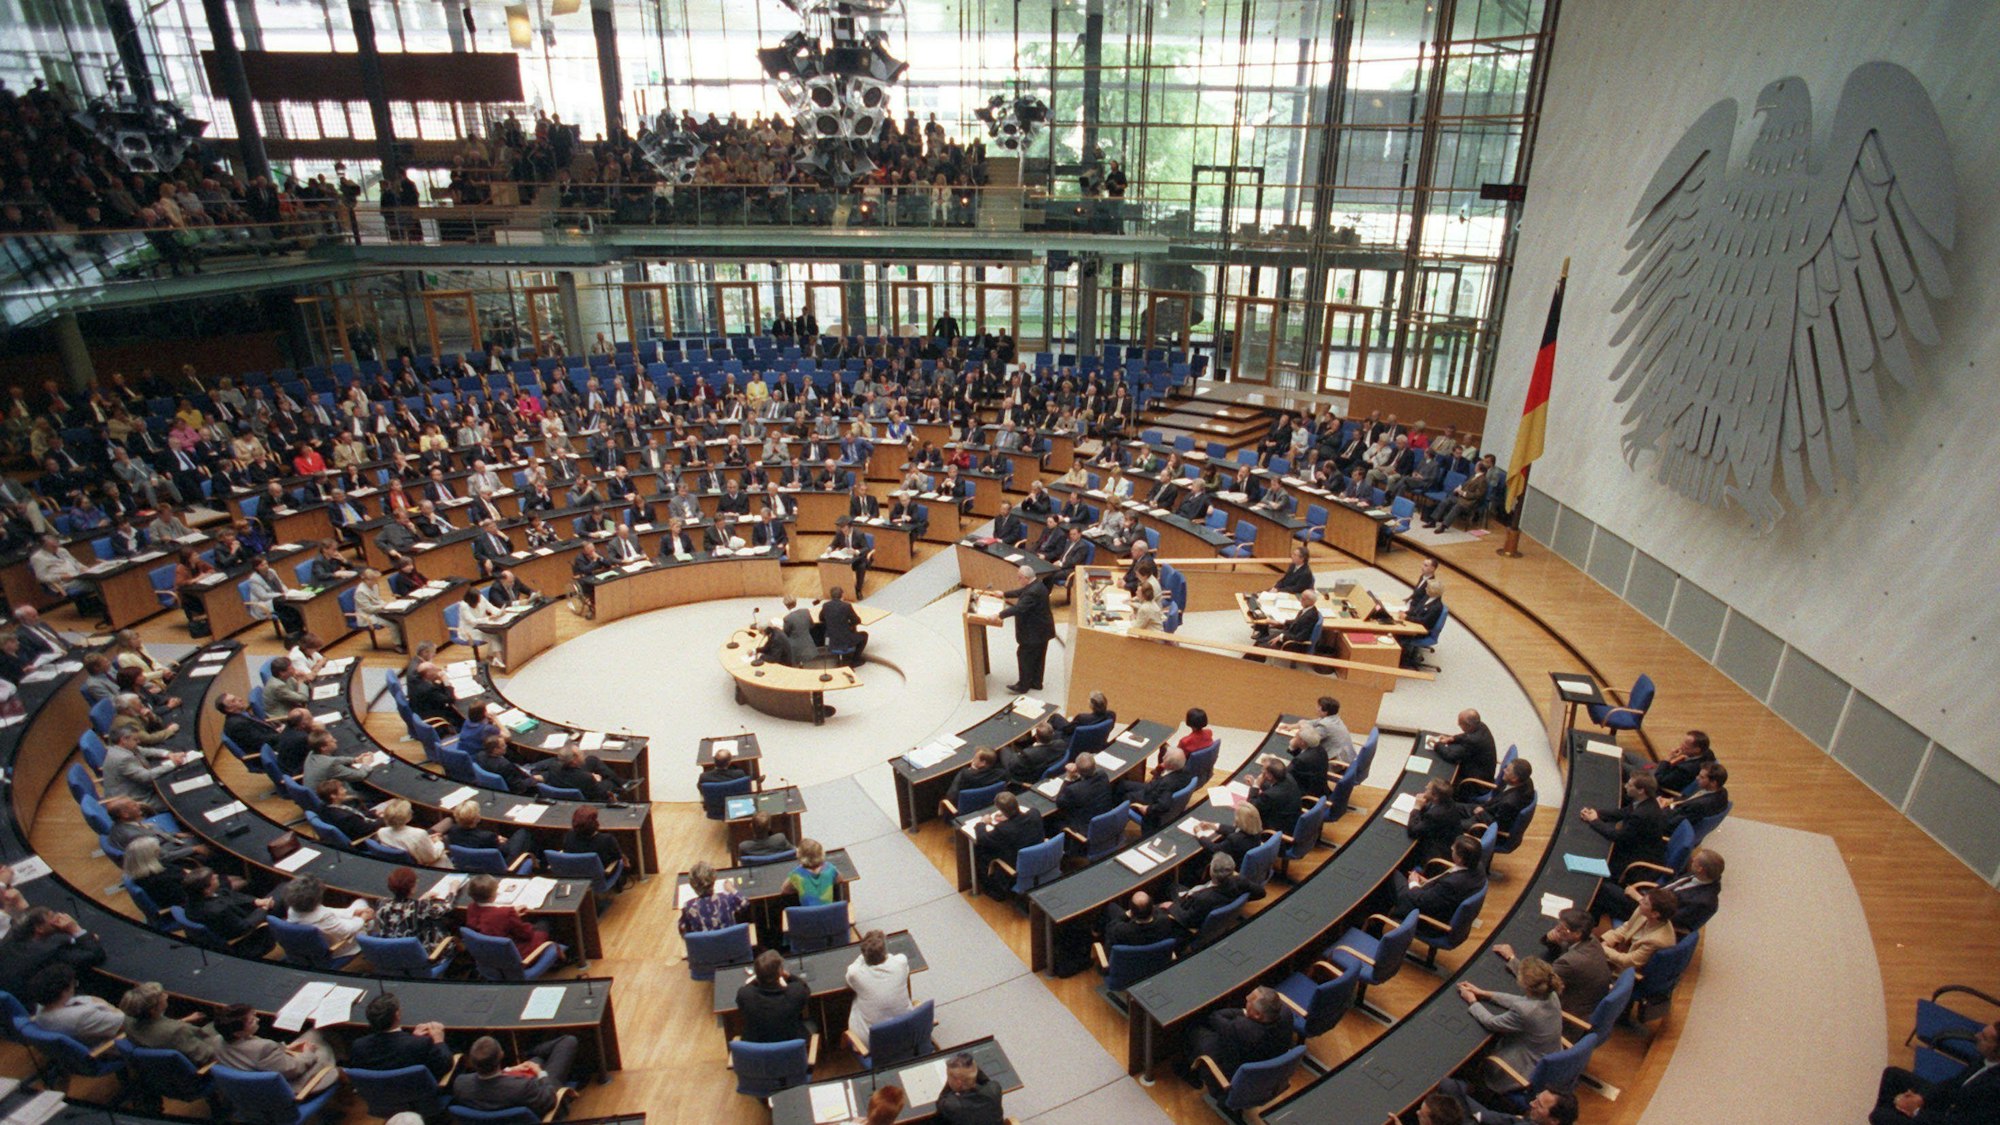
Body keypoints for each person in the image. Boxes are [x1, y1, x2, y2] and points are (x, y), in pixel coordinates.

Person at [1458, 957, 1564, 1094]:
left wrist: (1472, 1002)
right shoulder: (1550, 994)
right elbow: (1520, 1001)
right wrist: (1485, 994)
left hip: (1527, 1066)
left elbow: (1491, 1022)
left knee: (1475, 1059)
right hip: (1548, 1055)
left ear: (1526, 985)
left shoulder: (1526, 1011)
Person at [1493, 907, 1614, 1022]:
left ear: (1577, 933)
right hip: (1585, 998)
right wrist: (1551, 941)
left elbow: (1536, 979)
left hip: (1566, 1013)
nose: (1557, 930)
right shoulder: (1591, 939)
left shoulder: (1571, 961)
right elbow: (1565, 947)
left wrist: (1511, 957)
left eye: (1563, 929)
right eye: (1559, 925)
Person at [1872, 1019, 2000, 1125]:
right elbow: (1953, 1084)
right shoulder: (1985, 1058)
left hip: (1947, 1118)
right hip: (1950, 1103)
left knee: (1880, 1116)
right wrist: (1921, 1099)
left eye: (1984, 1038)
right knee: (1892, 1075)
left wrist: (1916, 1111)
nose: (1976, 1036)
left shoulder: (1994, 1089)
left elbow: (1961, 1122)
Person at [1184, 986, 1296, 1091]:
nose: (1246, 998)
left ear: (1257, 1015)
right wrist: (1248, 1013)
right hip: (1267, 1066)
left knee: (1195, 1030)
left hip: (1235, 1074)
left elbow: (1215, 1017)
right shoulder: (1286, 1013)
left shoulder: (1241, 1028)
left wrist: (1243, 1013)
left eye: (1249, 1001)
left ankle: (1185, 1069)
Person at [213, 1003, 339, 1095]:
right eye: (252, 1021)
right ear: (238, 1033)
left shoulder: (217, 1040)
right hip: (290, 1087)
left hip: (253, 1087)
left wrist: (284, 1048)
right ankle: (343, 1070)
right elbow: (295, 1069)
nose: (258, 1020)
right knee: (322, 1045)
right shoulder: (264, 1048)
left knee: (314, 1033)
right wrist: (308, 1052)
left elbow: (255, 1056)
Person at [452, 1033, 581, 1117]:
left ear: (472, 1062)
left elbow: (489, 1084)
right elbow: (550, 1100)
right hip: (539, 1099)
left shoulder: (460, 1083)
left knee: (536, 1060)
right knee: (569, 1041)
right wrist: (541, 1074)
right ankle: (529, 1051)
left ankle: (530, 1053)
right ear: (501, 1054)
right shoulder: (523, 1087)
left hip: (508, 1099)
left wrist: (509, 1070)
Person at [1581, 772, 1672, 879]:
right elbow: (1622, 813)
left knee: (1590, 855)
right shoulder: (1648, 801)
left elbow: (1618, 837)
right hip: (1635, 846)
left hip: (1635, 860)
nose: (1625, 786)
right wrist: (1597, 813)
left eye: (1629, 785)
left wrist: (1594, 821)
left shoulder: (1641, 815)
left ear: (1640, 790)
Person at [348, 992, 455, 1078]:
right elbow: (444, 1065)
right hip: (417, 1094)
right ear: (397, 1015)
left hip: (380, 1096)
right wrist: (438, 1040)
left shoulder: (358, 1046)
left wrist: (413, 1038)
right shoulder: (421, 1044)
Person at [464, 873, 559, 962]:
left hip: (488, 955)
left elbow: (488, 922)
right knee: (544, 922)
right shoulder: (506, 913)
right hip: (515, 956)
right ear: (492, 896)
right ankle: (558, 957)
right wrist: (515, 918)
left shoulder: (471, 908)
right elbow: (526, 934)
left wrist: (511, 915)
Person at [120, 981, 221, 1064]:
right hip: (196, 1070)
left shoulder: (128, 1021)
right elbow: (207, 1056)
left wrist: (183, 1021)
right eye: (162, 996)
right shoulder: (177, 1031)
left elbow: (157, 1030)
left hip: (158, 1066)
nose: (166, 995)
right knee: (217, 1024)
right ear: (153, 1010)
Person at [183, 866, 276, 956]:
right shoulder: (217, 910)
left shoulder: (192, 898)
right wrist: (264, 909)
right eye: (213, 879)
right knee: (283, 889)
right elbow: (243, 927)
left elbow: (227, 895)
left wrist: (256, 901)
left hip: (236, 914)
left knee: (256, 885)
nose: (216, 876)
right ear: (207, 890)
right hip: (249, 935)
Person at [988, 564, 1053, 692]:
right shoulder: (1037, 584)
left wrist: (999, 615)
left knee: (1024, 656)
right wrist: (1004, 594)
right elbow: (1021, 592)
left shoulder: (1033, 592)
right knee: (1038, 657)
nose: (1018, 580)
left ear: (1025, 578)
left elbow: (1019, 608)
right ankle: (1036, 682)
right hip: (1043, 630)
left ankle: (1023, 685)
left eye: (1019, 578)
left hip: (1034, 632)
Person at [845, 929, 913, 1052]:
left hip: (874, 1045)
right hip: (906, 1034)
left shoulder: (855, 975)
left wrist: (865, 954)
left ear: (864, 954)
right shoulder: (901, 963)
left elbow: (851, 969)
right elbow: (894, 958)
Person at [1394, 834, 1487, 922]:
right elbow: (1441, 890)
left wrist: (1413, 883)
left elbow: (1422, 901)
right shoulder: (1478, 866)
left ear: (1460, 859)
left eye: (1454, 849)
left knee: (1394, 874)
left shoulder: (1451, 884)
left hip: (1424, 917)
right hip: (1438, 900)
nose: (1451, 848)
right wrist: (1427, 882)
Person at [26, 963, 123, 1046]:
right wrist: (110, 1006)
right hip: (107, 1046)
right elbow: (125, 1022)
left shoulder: (41, 1006)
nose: (74, 988)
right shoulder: (82, 1016)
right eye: (73, 984)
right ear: (63, 992)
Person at [974, 792, 1045, 897]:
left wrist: (982, 823)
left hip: (1017, 866)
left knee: (981, 852)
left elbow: (982, 838)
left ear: (1002, 810)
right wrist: (1007, 820)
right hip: (1040, 859)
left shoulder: (1003, 829)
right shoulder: (1035, 813)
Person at [736, 949, 813, 1043]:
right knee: (811, 1025)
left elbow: (746, 988)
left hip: (757, 1053)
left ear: (757, 974)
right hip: (791, 1051)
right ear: (780, 972)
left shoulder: (745, 995)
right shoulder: (795, 993)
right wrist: (788, 976)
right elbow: (804, 987)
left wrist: (758, 978)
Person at [370, 866, 454, 949]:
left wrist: (423, 898)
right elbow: (445, 907)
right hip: (419, 954)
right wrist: (452, 891)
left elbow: (403, 909)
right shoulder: (421, 907)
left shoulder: (382, 903)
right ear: (412, 889)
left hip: (390, 951)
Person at [285, 874, 372, 952]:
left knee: (360, 903)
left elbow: (327, 910)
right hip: (336, 948)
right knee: (368, 914)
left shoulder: (292, 909)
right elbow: (347, 930)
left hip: (310, 947)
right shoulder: (324, 917)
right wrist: (362, 918)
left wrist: (353, 912)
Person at [1600, 886, 1679, 971]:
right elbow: (1627, 927)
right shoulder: (1644, 912)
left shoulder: (1657, 941)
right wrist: (1607, 941)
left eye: (1645, 903)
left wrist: (1604, 949)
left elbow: (1627, 961)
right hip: (1622, 949)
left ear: (1655, 914)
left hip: (1628, 968)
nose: (1640, 902)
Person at [1405, 778, 1470, 870]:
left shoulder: (1435, 814)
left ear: (1435, 796)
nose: (1425, 788)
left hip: (1438, 854)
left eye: (1428, 789)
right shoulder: (1448, 801)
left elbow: (1413, 831)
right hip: (1449, 841)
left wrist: (1416, 807)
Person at [1123, 749, 1194, 833]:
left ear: (1171, 766)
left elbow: (1163, 805)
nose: (1163, 757)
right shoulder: (1186, 771)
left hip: (1150, 799)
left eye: (1165, 757)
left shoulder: (1168, 784)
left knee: (1126, 796)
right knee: (1124, 785)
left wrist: (1148, 809)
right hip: (1154, 788)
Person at [1052, 752, 1119, 835]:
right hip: (1107, 821)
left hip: (1086, 829)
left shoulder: (1073, 790)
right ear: (1095, 766)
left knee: (1052, 822)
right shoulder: (1103, 775)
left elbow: (1059, 802)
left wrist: (1068, 778)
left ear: (1077, 769)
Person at [936, 1051, 1005, 1125]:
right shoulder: (994, 1089)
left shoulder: (952, 1106)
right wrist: (972, 1069)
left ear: (958, 1083)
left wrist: (950, 1083)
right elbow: (985, 1081)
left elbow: (941, 1100)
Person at [679, 861, 746, 934]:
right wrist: (731, 889)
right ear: (713, 880)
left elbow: (682, 929)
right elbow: (744, 902)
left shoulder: (688, 907)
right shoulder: (727, 899)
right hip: (730, 943)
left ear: (692, 885)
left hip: (704, 945)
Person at [1433, 709, 1498, 784]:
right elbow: (1466, 735)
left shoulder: (1473, 741)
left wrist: (1437, 744)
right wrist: (1452, 738)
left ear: (1468, 725)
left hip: (1475, 782)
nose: (1458, 724)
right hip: (1483, 769)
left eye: (1460, 723)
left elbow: (1451, 756)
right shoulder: (1480, 725)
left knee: (1443, 778)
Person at [1247, 756, 1304, 837]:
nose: (1261, 771)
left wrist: (1255, 786)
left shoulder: (1270, 795)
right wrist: (1258, 784)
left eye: (1263, 770)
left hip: (1276, 831)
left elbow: (1251, 806)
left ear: (1270, 776)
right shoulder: (1288, 777)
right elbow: (1274, 787)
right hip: (1291, 821)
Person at [563, 806, 623, 878]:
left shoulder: (569, 836)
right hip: (599, 878)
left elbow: (565, 851)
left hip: (573, 875)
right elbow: (618, 857)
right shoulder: (607, 839)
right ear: (595, 823)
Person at [819, 585, 868, 662]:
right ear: (842, 595)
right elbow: (856, 620)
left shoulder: (826, 606)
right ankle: (855, 660)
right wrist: (849, 625)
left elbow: (821, 618)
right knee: (864, 635)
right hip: (844, 639)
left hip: (829, 640)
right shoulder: (846, 606)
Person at [785, 838, 839, 906]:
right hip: (829, 914)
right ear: (822, 853)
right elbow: (839, 879)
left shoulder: (796, 874)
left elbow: (785, 890)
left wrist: (800, 887)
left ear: (799, 855)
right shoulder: (830, 868)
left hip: (808, 915)